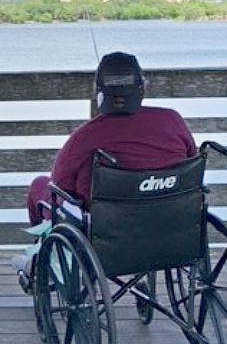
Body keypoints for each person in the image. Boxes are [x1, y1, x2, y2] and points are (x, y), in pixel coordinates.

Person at [26, 51, 197, 225]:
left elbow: (60, 184)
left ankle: (42, 249)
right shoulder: (172, 121)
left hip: (104, 230)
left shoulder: (86, 135)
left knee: (39, 185)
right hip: (171, 223)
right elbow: (191, 166)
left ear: (99, 94)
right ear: (142, 89)